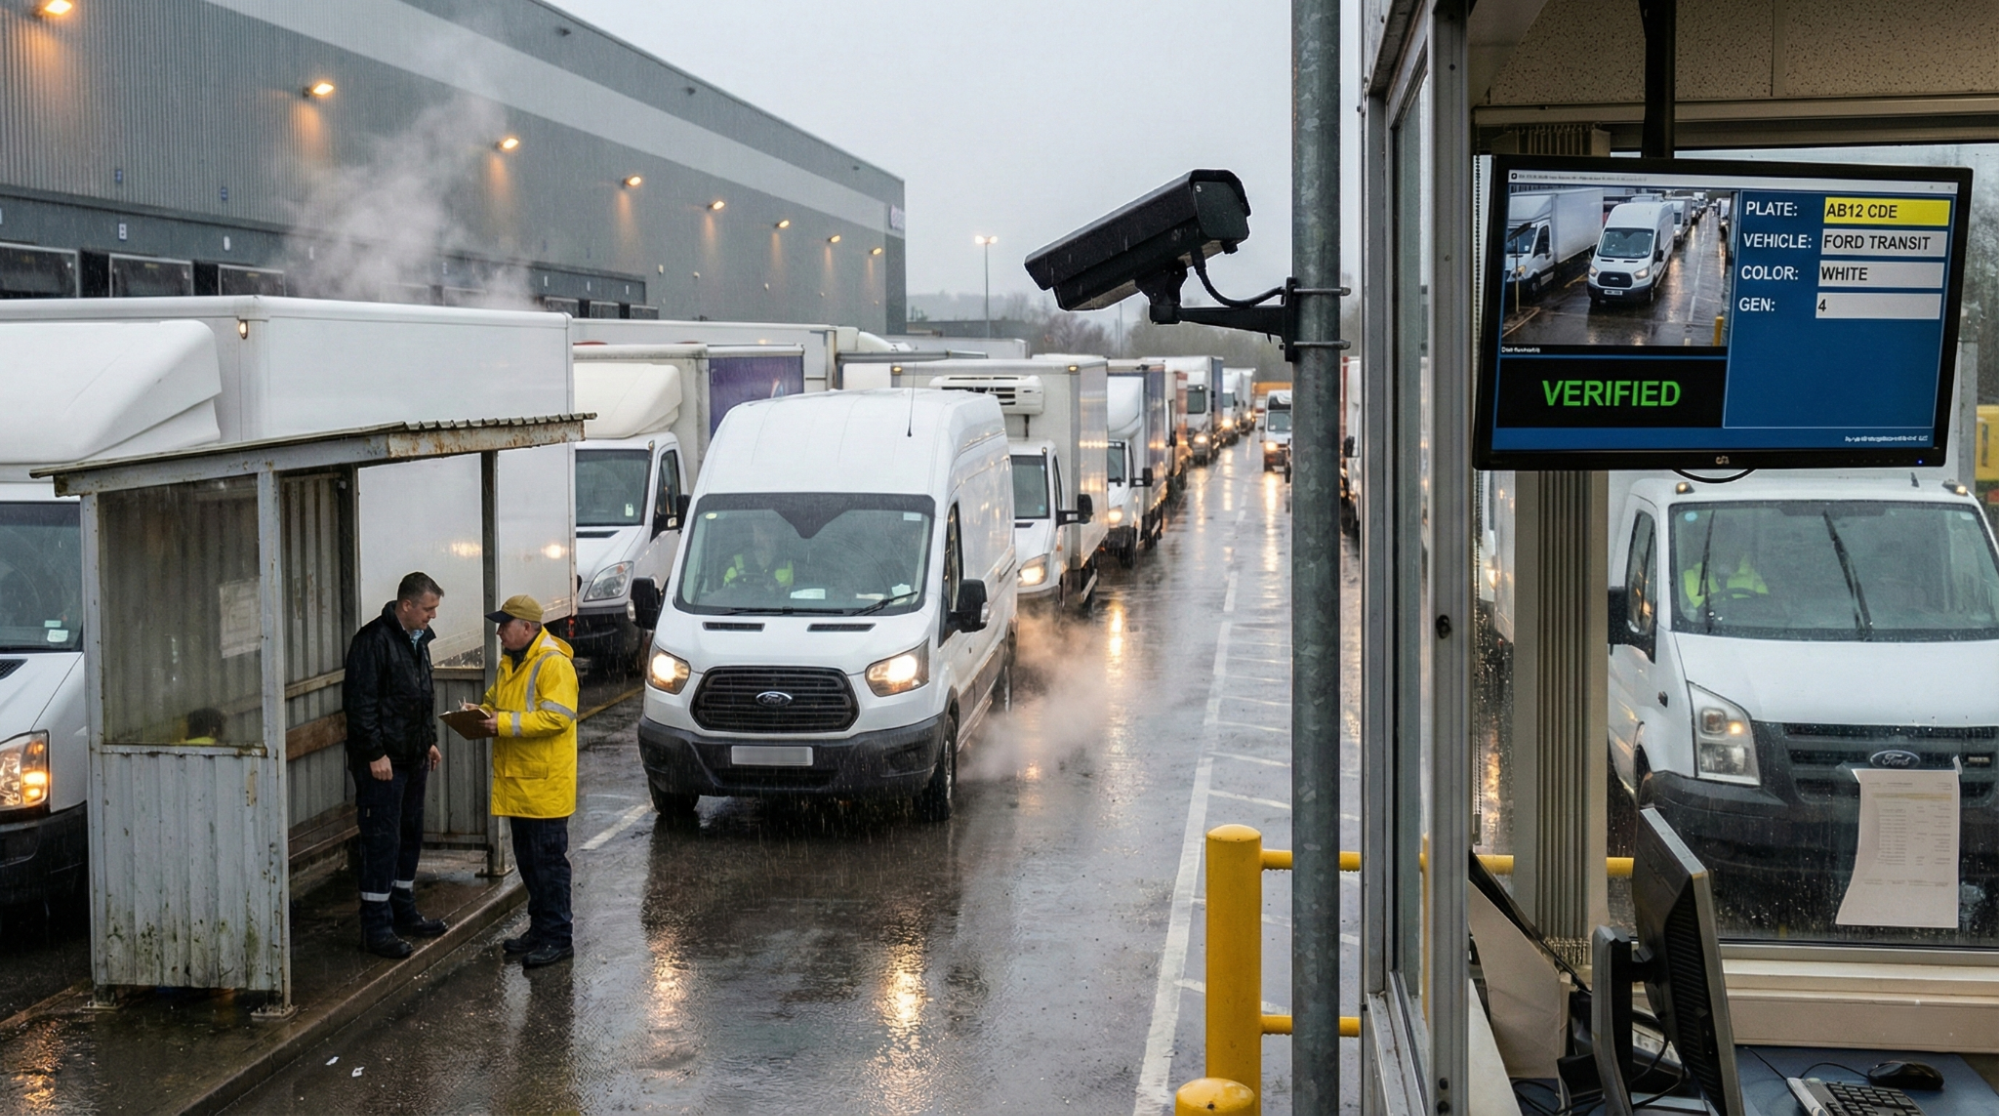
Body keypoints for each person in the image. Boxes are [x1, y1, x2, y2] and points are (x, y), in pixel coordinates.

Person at [343, 571, 448, 959]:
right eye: (428, 609)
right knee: (381, 840)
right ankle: (376, 927)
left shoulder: (418, 641)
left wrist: (429, 741)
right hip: (384, 763)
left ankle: (404, 911)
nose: (432, 616)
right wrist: (374, 753)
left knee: (408, 833)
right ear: (406, 605)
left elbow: (421, 695)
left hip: (412, 755)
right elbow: (361, 703)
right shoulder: (373, 642)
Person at [474, 593, 579, 969]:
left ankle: (557, 937)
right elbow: (496, 700)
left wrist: (500, 723)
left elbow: (558, 718)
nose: (499, 632)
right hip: (522, 784)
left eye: (505, 625)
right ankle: (541, 930)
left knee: (548, 865)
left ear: (528, 628)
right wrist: (480, 712)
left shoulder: (553, 664)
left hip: (544, 786)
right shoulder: (512, 661)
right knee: (532, 864)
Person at [722, 517, 795, 593]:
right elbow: (726, 597)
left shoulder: (788, 564)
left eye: (773, 532)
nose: (771, 537)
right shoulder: (734, 563)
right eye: (765, 531)